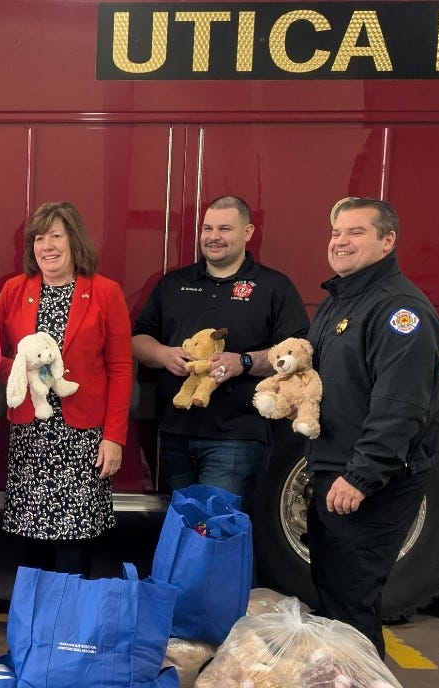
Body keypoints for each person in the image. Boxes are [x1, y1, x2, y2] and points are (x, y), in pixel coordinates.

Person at [305, 197, 439, 658]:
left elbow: (401, 405)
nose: (340, 242)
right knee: (335, 590)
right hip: (335, 469)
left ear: (387, 241)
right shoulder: (345, 298)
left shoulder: (399, 311)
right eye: (336, 233)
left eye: (355, 232)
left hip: (370, 481)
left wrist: (361, 474)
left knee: (352, 596)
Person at [132, 195, 309, 514]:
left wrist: (242, 362)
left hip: (237, 437)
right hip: (175, 433)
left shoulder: (274, 287)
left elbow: (297, 352)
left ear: (248, 232)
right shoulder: (173, 283)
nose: (213, 237)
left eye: (225, 228)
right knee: (185, 528)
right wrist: (163, 354)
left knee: (216, 528)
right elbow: (138, 339)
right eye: (207, 228)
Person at [0, 201, 132, 576]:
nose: (47, 246)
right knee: (32, 543)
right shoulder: (14, 290)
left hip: (83, 439)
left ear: (75, 242)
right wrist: (21, 367)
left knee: (75, 545)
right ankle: (37, 631)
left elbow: (121, 369)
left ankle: (69, 630)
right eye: (39, 238)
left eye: (56, 235)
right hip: (31, 434)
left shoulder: (105, 293)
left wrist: (114, 437)